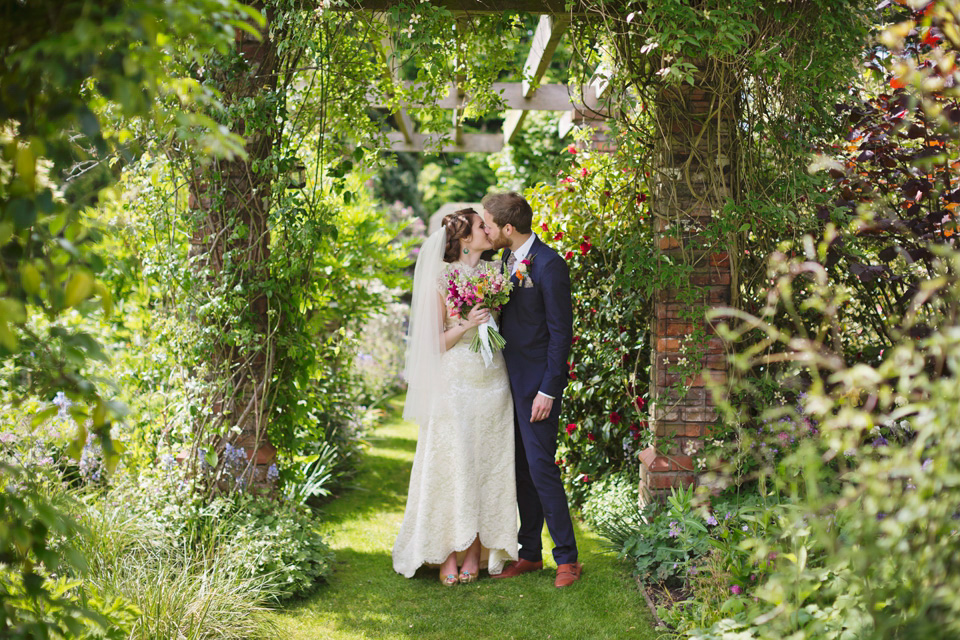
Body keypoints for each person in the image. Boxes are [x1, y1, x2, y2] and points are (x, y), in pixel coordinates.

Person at [392, 209, 519, 586]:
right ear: (464, 239)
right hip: (455, 383)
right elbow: (434, 343)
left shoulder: (496, 274)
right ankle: (447, 550)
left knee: (488, 463)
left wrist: (487, 319)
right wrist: (468, 323)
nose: (488, 230)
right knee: (452, 464)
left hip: (493, 378)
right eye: (482, 227)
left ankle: (476, 549)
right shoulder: (441, 277)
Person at [481, 192, 581, 588]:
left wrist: (548, 390)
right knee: (522, 469)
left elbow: (561, 335)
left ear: (508, 228)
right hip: (507, 382)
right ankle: (529, 553)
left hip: (538, 387)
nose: (486, 230)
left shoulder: (551, 265)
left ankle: (568, 559)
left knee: (542, 469)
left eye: (489, 224)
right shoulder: (505, 261)